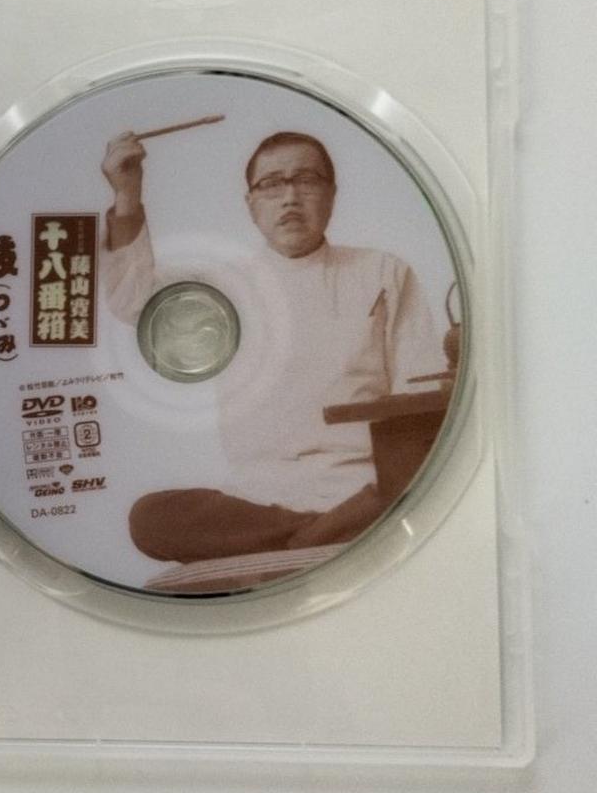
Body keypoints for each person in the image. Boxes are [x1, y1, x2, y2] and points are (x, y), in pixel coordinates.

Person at [102, 128, 445, 562]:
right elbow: (133, 300)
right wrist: (127, 194)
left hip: (362, 486)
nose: (290, 198)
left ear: (332, 194)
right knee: (150, 518)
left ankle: (326, 531)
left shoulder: (382, 271)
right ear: (251, 205)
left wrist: (393, 491)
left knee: (404, 495)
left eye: (307, 180)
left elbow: (419, 395)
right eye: (271, 185)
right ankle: (318, 534)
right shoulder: (221, 287)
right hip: (257, 501)